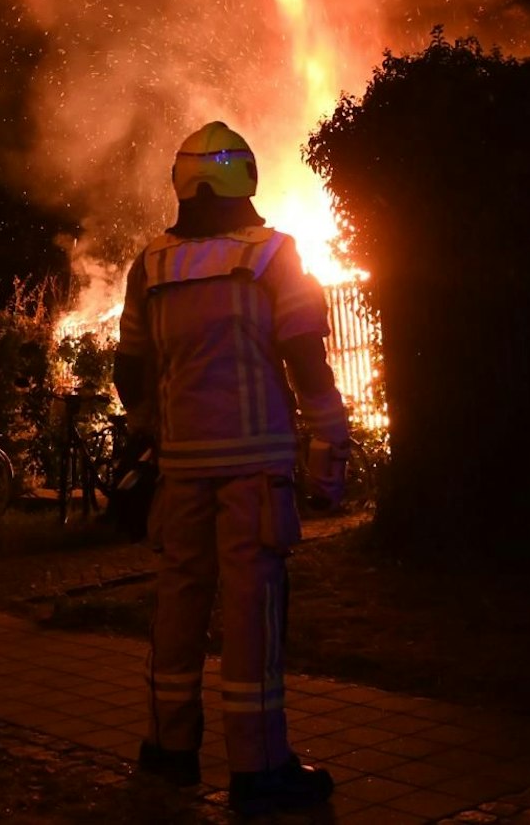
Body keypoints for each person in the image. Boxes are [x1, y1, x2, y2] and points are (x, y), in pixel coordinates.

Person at [113, 120, 353, 817]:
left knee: (179, 605)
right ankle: (260, 765)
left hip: (182, 469)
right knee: (252, 611)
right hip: (254, 469)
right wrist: (328, 441)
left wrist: (149, 431)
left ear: (181, 183)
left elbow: (129, 367)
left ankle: (168, 748)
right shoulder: (274, 256)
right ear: (245, 177)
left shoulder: (150, 265)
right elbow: (306, 355)